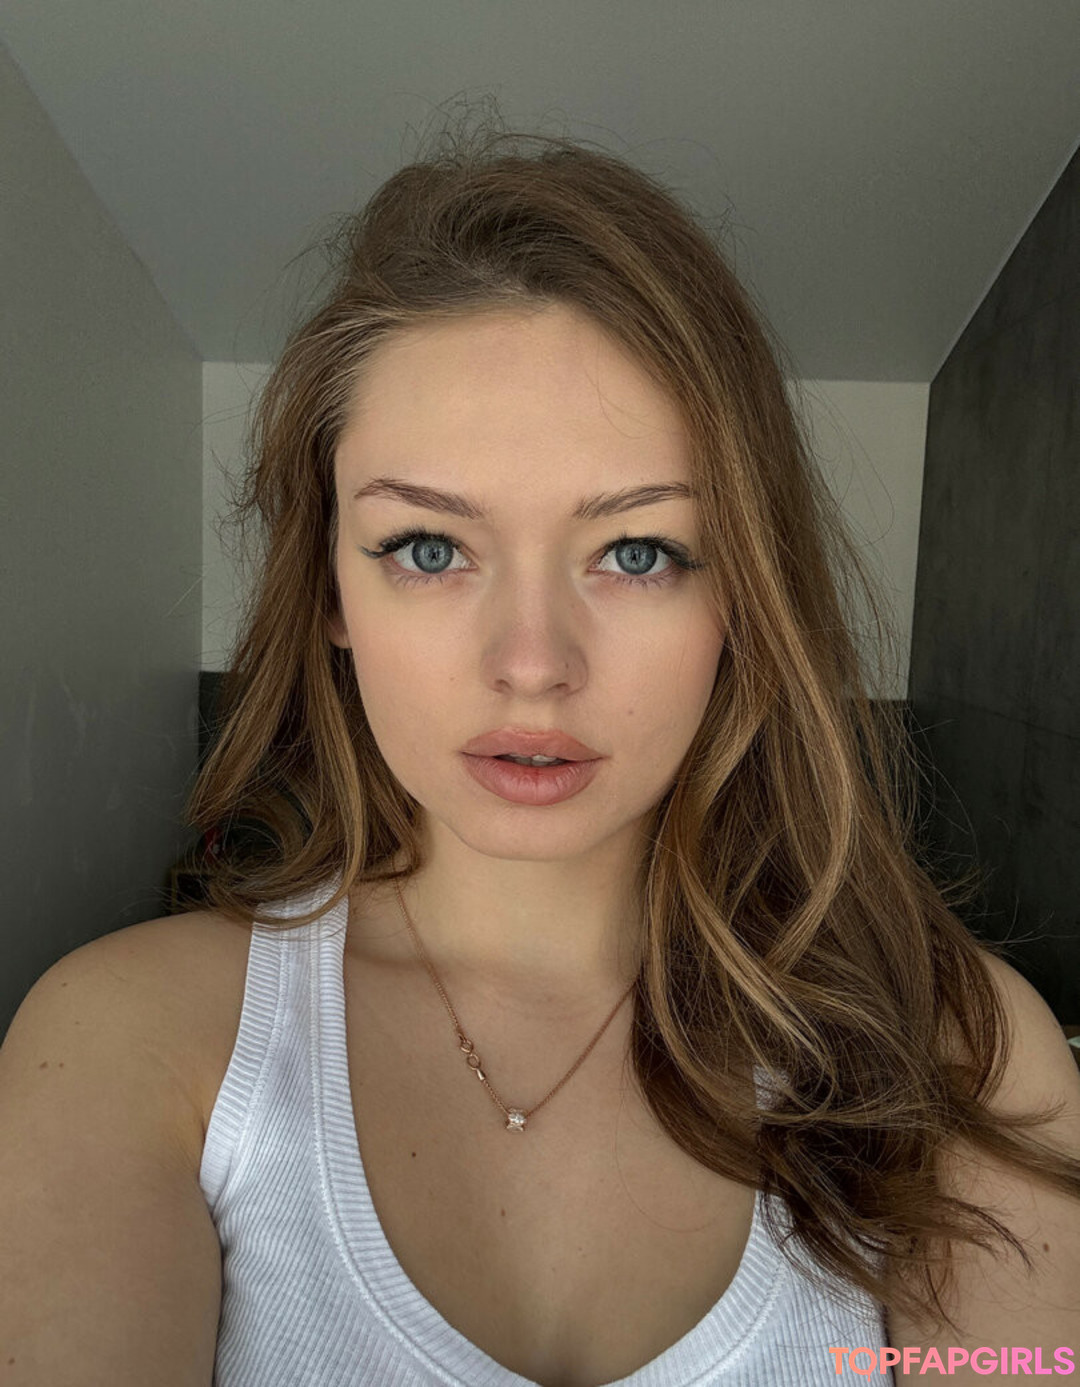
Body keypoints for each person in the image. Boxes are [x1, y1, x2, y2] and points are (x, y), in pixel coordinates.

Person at [3, 117, 1079, 1387]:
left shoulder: (961, 1055)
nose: (532, 663)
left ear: (743, 593)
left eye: (637, 552)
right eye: (428, 548)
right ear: (331, 591)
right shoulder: (133, 1038)